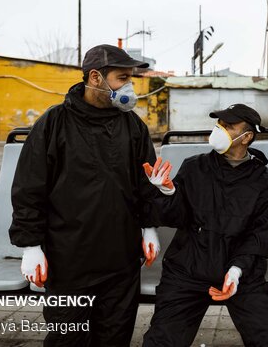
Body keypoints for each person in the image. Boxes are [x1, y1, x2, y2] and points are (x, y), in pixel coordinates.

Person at [9, 44, 161, 346]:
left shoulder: (133, 126)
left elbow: (146, 184)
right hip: (69, 261)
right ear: (95, 78)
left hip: (121, 260)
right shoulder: (54, 124)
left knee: (114, 335)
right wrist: (31, 245)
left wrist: (149, 227)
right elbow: (29, 188)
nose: (129, 86)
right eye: (121, 78)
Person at [142, 104, 268, 347]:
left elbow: (259, 234)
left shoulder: (265, 181)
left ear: (246, 137)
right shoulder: (194, 167)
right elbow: (175, 218)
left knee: (267, 338)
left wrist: (237, 271)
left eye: (228, 126)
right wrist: (167, 192)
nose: (219, 130)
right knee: (161, 341)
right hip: (187, 270)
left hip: (241, 274)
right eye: (219, 124)